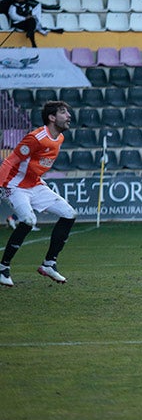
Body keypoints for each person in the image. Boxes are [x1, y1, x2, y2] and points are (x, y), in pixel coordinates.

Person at [0, 101, 76, 287]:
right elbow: (9, 162)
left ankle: (49, 264)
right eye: (63, 112)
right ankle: (3, 268)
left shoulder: (59, 139)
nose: (69, 116)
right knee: (28, 220)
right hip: (15, 185)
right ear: (52, 117)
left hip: (35, 185)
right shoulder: (36, 138)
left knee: (69, 214)